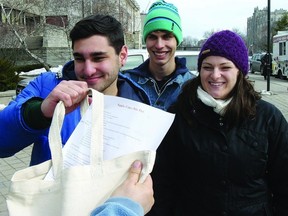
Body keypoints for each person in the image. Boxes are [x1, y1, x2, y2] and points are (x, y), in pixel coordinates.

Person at [148, 30, 288, 215]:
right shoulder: (180, 114)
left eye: (225, 67)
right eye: (207, 67)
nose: (215, 75)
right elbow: (163, 183)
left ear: (239, 71)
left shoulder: (267, 117)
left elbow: (284, 184)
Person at [0, 14, 150, 165]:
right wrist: (41, 112)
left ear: (122, 56)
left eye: (98, 58)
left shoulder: (140, 103)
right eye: (79, 58)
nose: (88, 70)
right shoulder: (46, 87)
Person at [123, 0, 194, 111]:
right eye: (152, 37)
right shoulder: (127, 83)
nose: (159, 45)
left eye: (166, 37)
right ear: (145, 40)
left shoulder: (193, 87)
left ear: (177, 41)